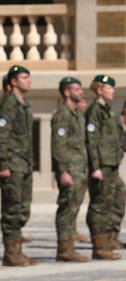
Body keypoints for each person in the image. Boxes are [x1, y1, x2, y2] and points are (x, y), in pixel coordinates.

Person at [0, 65, 38, 266]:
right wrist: (2, 165)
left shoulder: (24, 105)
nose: (28, 80)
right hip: (12, 165)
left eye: (29, 77)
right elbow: (0, 138)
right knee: (11, 208)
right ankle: (11, 253)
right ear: (13, 81)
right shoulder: (7, 106)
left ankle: (17, 250)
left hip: (24, 164)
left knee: (22, 208)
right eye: (24, 77)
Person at [50, 77, 89, 262]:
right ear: (66, 92)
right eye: (77, 89)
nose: (80, 92)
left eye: (81, 89)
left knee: (73, 208)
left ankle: (69, 245)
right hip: (70, 170)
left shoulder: (78, 115)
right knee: (67, 208)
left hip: (79, 169)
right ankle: (64, 248)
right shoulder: (62, 115)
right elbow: (58, 145)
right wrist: (63, 171)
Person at [85, 75, 123, 259]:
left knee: (111, 202)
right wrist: (95, 167)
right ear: (99, 90)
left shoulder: (110, 112)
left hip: (112, 164)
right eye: (109, 88)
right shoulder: (94, 112)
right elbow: (91, 141)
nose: (113, 91)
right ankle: (99, 246)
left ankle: (108, 240)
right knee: (99, 205)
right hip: (101, 165)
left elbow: (119, 139)